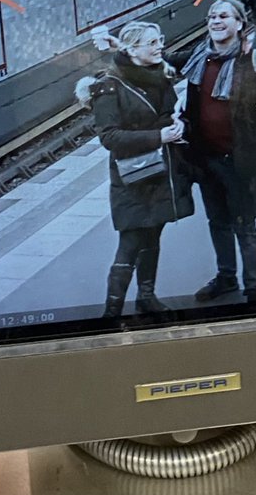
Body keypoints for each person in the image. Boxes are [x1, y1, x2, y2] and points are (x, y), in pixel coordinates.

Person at [78, 22, 193, 318]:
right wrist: (159, 137)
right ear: (131, 49)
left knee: (154, 233)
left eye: (160, 41)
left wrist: (178, 125)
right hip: (133, 177)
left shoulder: (160, 75)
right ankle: (111, 313)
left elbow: (169, 113)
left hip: (162, 170)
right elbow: (109, 138)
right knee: (130, 241)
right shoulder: (108, 85)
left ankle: (147, 297)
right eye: (152, 43)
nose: (159, 47)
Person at [176, 0, 256, 305]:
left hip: (238, 159)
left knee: (245, 226)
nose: (215, 20)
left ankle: (253, 287)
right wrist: (122, 48)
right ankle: (226, 277)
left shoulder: (255, 60)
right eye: (211, 16)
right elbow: (160, 60)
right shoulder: (200, 56)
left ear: (240, 23)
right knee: (217, 222)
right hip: (205, 158)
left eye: (223, 15)